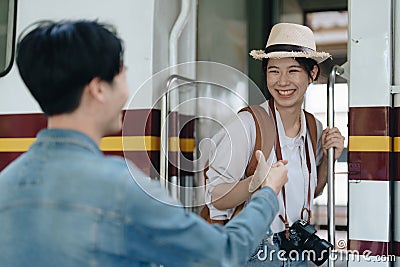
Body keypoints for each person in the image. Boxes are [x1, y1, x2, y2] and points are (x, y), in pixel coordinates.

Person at [0, 20, 289, 267]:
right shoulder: (120, 187)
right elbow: (223, 254)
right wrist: (267, 192)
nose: (127, 88)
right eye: (122, 72)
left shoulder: (6, 183)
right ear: (98, 89)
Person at [204, 23, 345, 267]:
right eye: (273, 71)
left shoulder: (313, 125)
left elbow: (312, 191)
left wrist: (329, 159)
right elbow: (215, 198)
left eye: (293, 71)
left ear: (311, 74)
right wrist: (255, 183)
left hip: (298, 246)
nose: (282, 81)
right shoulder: (247, 124)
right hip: (255, 248)